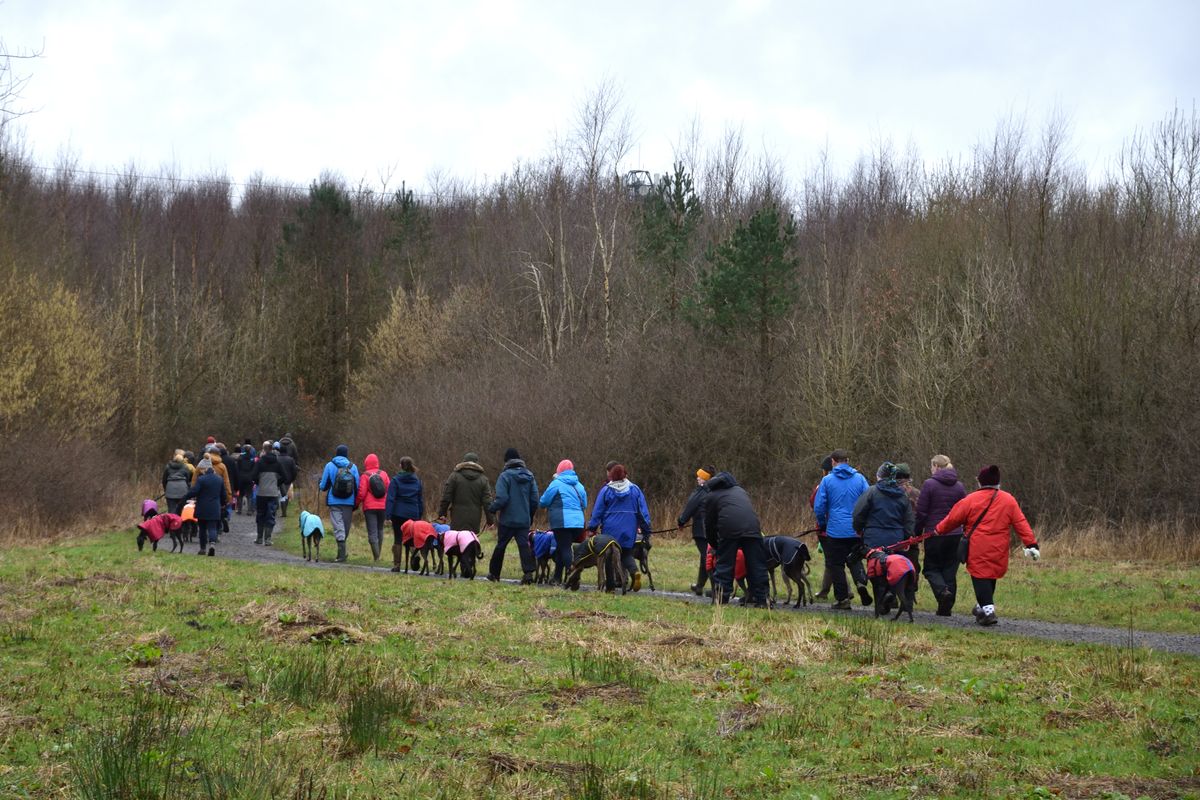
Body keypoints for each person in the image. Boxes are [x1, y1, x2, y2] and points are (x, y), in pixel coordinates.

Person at [935, 465, 1039, 626]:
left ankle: (989, 611)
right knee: (990, 575)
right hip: (1000, 547)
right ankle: (981, 607)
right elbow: (1020, 523)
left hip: (978, 546)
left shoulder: (971, 499)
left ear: (980, 482)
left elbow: (952, 519)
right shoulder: (1008, 500)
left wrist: (938, 530)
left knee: (980, 576)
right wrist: (1031, 543)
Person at [812, 449, 870, 610]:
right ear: (848, 460)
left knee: (835, 564)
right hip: (855, 530)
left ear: (832, 461)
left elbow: (819, 506)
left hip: (835, 530)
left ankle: (843, 599)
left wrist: (822, 523)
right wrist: (863, 523)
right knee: (855, 559)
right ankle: (860, 582)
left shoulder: (827, 480)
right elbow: (868, 501)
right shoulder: (860, 479)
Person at [702, 470, 769, 607]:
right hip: (753, 529)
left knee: (725, 565)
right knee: (757, 565)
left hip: (729, 530)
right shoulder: (740, 490)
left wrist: (714, 544)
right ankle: (763, 600)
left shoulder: (711, 496)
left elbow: (709, 525)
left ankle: (721, 599)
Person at [586, 463, 651, 591]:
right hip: (629, 529)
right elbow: (643, 513)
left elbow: (597, 511)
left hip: (610, 530)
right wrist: (646, 530)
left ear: (611, 476)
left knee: (610, 557)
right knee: (626, 553)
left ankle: (610, 587)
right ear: (625, 475)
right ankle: (634, 572)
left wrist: (592, 528)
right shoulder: (635, 490)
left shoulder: (606, 490)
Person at [915, 454, 967, 615]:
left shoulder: (929, 484)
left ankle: (942, 592)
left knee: (931, 568)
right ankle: (946, 608)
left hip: (935, 533)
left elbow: (922, 512)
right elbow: (965, 510)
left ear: (936, 466)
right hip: (955, 534)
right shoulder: (959, 486)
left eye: (931, 466)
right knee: (949, 571)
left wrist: (917, 532)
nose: (931, 469)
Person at [486, 448, 539, 584]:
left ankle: (494, 574)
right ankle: (528, 573)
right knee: (524, 545)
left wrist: (492, 508)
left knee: (501, 546)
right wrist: (530, 515)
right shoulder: (530, 476)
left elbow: (502, 498)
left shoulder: (505, 476)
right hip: (523, 520)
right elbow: (534, 500)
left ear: (507, 461)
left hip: (507, 520)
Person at [539, 459, 588, 585]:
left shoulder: (556, 484)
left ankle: (573, 573)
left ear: (559, 471)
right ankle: (557, 578)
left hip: (562, 522)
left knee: (565, 548)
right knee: (561, 547)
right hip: (578, 524)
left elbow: (543, 502)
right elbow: (585, 504)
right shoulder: (580, 485)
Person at [852, 462, 915, 552]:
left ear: (879, 476)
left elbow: (858, 513)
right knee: (894, 565)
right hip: (896, 539)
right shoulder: (902, 495)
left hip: (874, 538)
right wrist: (907, 537)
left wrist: (858, 529)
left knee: (875, 564)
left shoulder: (871, 492)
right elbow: (909, 520)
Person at [677, 465, 716, 596]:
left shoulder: (701, 491)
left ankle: (716, 588)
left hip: (701, 530)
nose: (697, 478)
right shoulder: (715, 490)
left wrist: (681, 521)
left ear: (705, 478)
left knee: (707, 558)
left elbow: (690, 506)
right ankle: (699, 586)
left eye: (700, 476)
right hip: (714, 529)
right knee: (705, 557)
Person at [318, 444, 360, 563]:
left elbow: (323, 486)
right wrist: (356, 501)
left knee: (338, 526)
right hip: (349, 501)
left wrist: (319, 484)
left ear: (336, 453)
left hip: (334, 500)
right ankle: (341, 553)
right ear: (347, 454)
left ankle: (341, 554)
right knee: (345, 528)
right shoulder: (353, 467)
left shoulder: (330, 465)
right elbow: (357, 486)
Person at [437, 452, 495, 533]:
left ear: (463, 461)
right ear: (477, 463)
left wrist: (442, 513)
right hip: (474, 518)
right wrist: (490, 520)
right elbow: (487, 502)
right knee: (471, 542)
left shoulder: (454, 476)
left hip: (457, 517)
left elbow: (446, 496)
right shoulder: (483, 479)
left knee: (457, 541)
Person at [385, 457, 423, 572]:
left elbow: (390, 499)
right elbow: (420, 500)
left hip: (398, 513)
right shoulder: (417, 481)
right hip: (413, 513)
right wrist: (419, 514)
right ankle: (415, 556)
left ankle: (397, 565)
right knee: (412, 537)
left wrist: (388, 515)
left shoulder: (395, 480)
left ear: (400, 466)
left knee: (398, 538)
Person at [184, 459, 227, 556]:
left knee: (202, 528)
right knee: (212, 528)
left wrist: (186, 496)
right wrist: (223, 503)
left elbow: (194, 491)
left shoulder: (201, 479)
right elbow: (223, 494)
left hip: (202, 507)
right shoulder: (219, 479)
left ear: (205, 469)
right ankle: (212, 544)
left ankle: (202, 549)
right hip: (215, 507)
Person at [809, 455, 836, 600]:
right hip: (845, 528)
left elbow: (814, 503)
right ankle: (825, 590)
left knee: (832, 561)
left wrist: (822, 525)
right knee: (837, 560)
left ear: (825, 471)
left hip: (826, 530)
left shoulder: (823, 484)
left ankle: (840, 591)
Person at [892, 463, 923, 586]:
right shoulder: (916, 493)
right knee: (912, 563)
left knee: (893, 563)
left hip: (894, 533)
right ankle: (911, 588)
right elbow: (921, 514)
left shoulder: (890, 491)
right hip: (912, 535)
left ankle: (893, 592)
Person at [357, 453, 391, 563]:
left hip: (369, 508)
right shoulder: (384, 474)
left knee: (372, 532)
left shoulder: (365, 475)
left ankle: (376, 557)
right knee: (380, 530)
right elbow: (389, 490)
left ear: (366, 463)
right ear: (377, 462)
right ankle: (378, 555)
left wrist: (356, 504)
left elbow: (361, 493)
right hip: (383, 506)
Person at [251, 440, 285, 546]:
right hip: (273, 493)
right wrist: (276, 483)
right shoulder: (277, 462)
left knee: (260, 514)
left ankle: (259, 538)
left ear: (264, 450)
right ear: (272, 450)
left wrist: (259, 482)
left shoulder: (260, 462)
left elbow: (253, 476)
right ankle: (268, 539)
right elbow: (285, 477)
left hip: (261, 492)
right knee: (271, 515)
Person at [161, 451, 192, 516]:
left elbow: (164, 480)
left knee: (171, 509)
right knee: (182, 509)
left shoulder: (168, 466)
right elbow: (188, 479)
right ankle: (181, 524)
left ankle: (172, 524)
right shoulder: (185, 467)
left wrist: (165, 489)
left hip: (170, 489)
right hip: (182, 490)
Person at [274, 440, 298, 518]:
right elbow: (294, 471)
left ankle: (277, 509)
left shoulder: (276, 459)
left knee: (279, 495)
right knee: (285, 496)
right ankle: (284, 511)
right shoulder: (290, 459)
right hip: (288, 480)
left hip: (278, 480)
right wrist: (292, 479)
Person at [235, 444, 257, 515]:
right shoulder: (252, 459)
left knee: (240, 494)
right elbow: (254, 470)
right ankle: (249, 510)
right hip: (249, 478)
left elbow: (237, 469)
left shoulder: (240, 458)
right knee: (249, 494)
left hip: (241, 478)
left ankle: (239, 510)